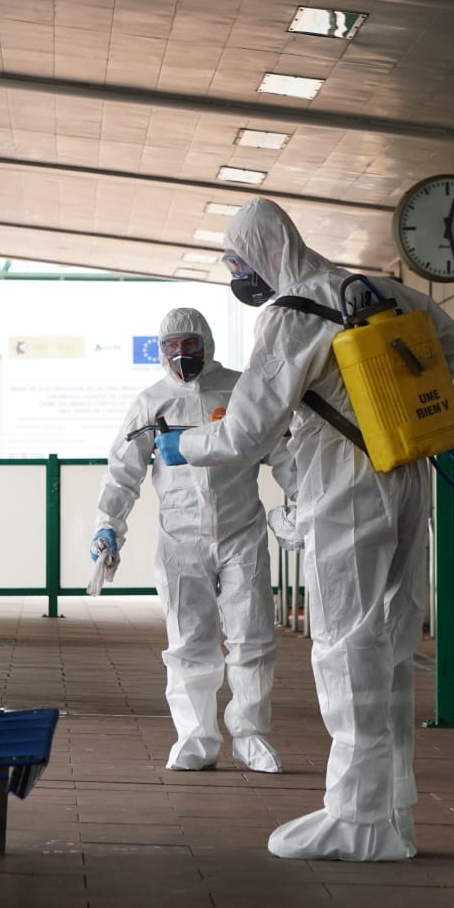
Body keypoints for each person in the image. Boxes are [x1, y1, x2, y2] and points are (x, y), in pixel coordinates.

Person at [152, 197, 454, 861]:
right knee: (389, 642)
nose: (239, 273)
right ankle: (391, 810)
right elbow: (452, 345)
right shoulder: (384, 291)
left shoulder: (293, 314)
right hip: (406, 468)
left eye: (238, 259)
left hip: (346, 484)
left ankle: (355, 818)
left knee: (345, 645)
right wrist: (379, 398)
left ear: (264, 251)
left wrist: (187, 444)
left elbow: (246, 429)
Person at [91, 306, 294, 774]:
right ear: (160, 350)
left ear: (207, 343)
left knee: (253, 637)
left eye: (189, 344)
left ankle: (251, 735)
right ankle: (196, 737)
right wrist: (108, 523)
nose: (180, 354)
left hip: (242, 528)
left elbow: (282, 451)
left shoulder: (242, 390)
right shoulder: (151, 402)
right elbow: (123, 470)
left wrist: (302, 501)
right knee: (189, 641)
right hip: (179, 536)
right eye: (171, 346)